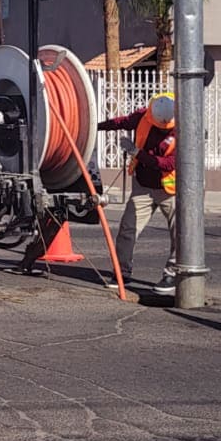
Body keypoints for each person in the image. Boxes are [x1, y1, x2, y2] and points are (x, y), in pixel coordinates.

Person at [98, 92, 179, 294]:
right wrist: (94, 127)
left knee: (181, 233)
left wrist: (136, 153)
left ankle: (173, 273)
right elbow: (122, 122)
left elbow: (168, 163)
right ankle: (122, 272)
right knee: (128, 228)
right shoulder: (145, 115)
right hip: (143, 184)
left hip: (171, 189)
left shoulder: (183, 127)